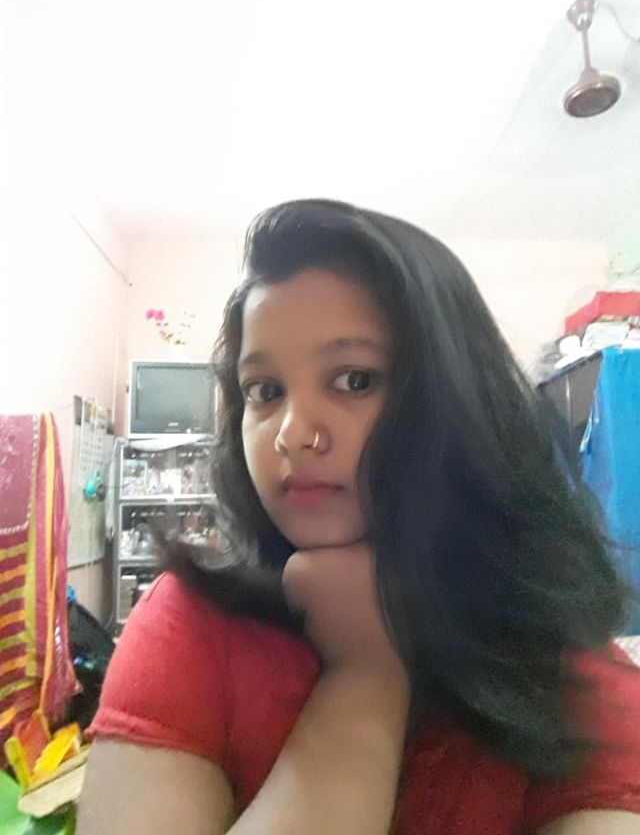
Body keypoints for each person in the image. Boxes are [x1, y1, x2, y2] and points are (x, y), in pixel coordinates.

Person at [77, 199, 640, 835]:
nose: (291, 433)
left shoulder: (569, 671)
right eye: (265, 390)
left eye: (353, 380)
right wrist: (365, 676)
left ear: (460, 397)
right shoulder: (191, 624)